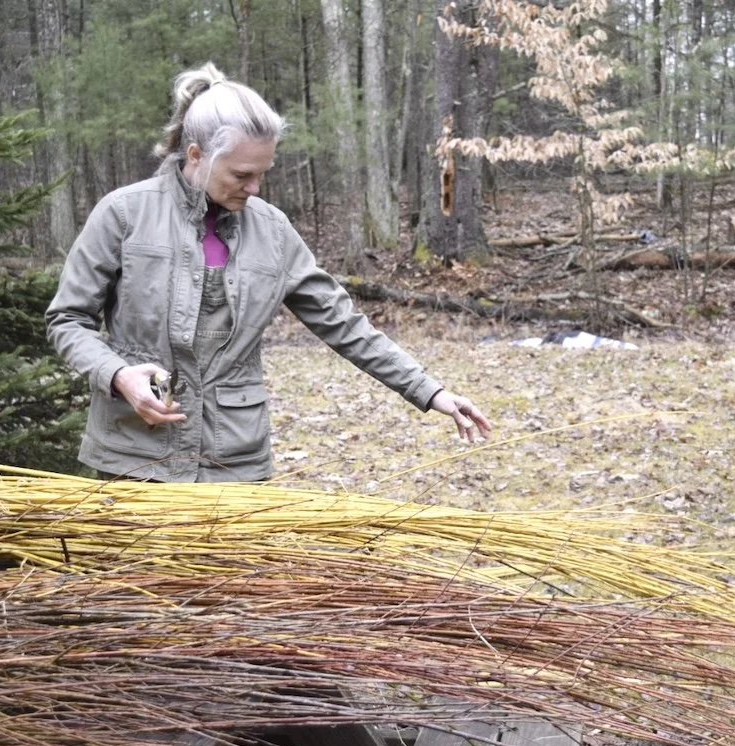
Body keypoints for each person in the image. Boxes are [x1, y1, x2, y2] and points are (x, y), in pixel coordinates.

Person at [46, 62, 491, 482]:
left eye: (263, 173)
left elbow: (343, 323)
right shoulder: (124, 215)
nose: (255, 188)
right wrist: (118, 375)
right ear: (197, 155)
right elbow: (67, 320)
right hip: (134, 456)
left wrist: (431, 392)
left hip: (234, 462)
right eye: (242, 174)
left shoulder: (273, 230)